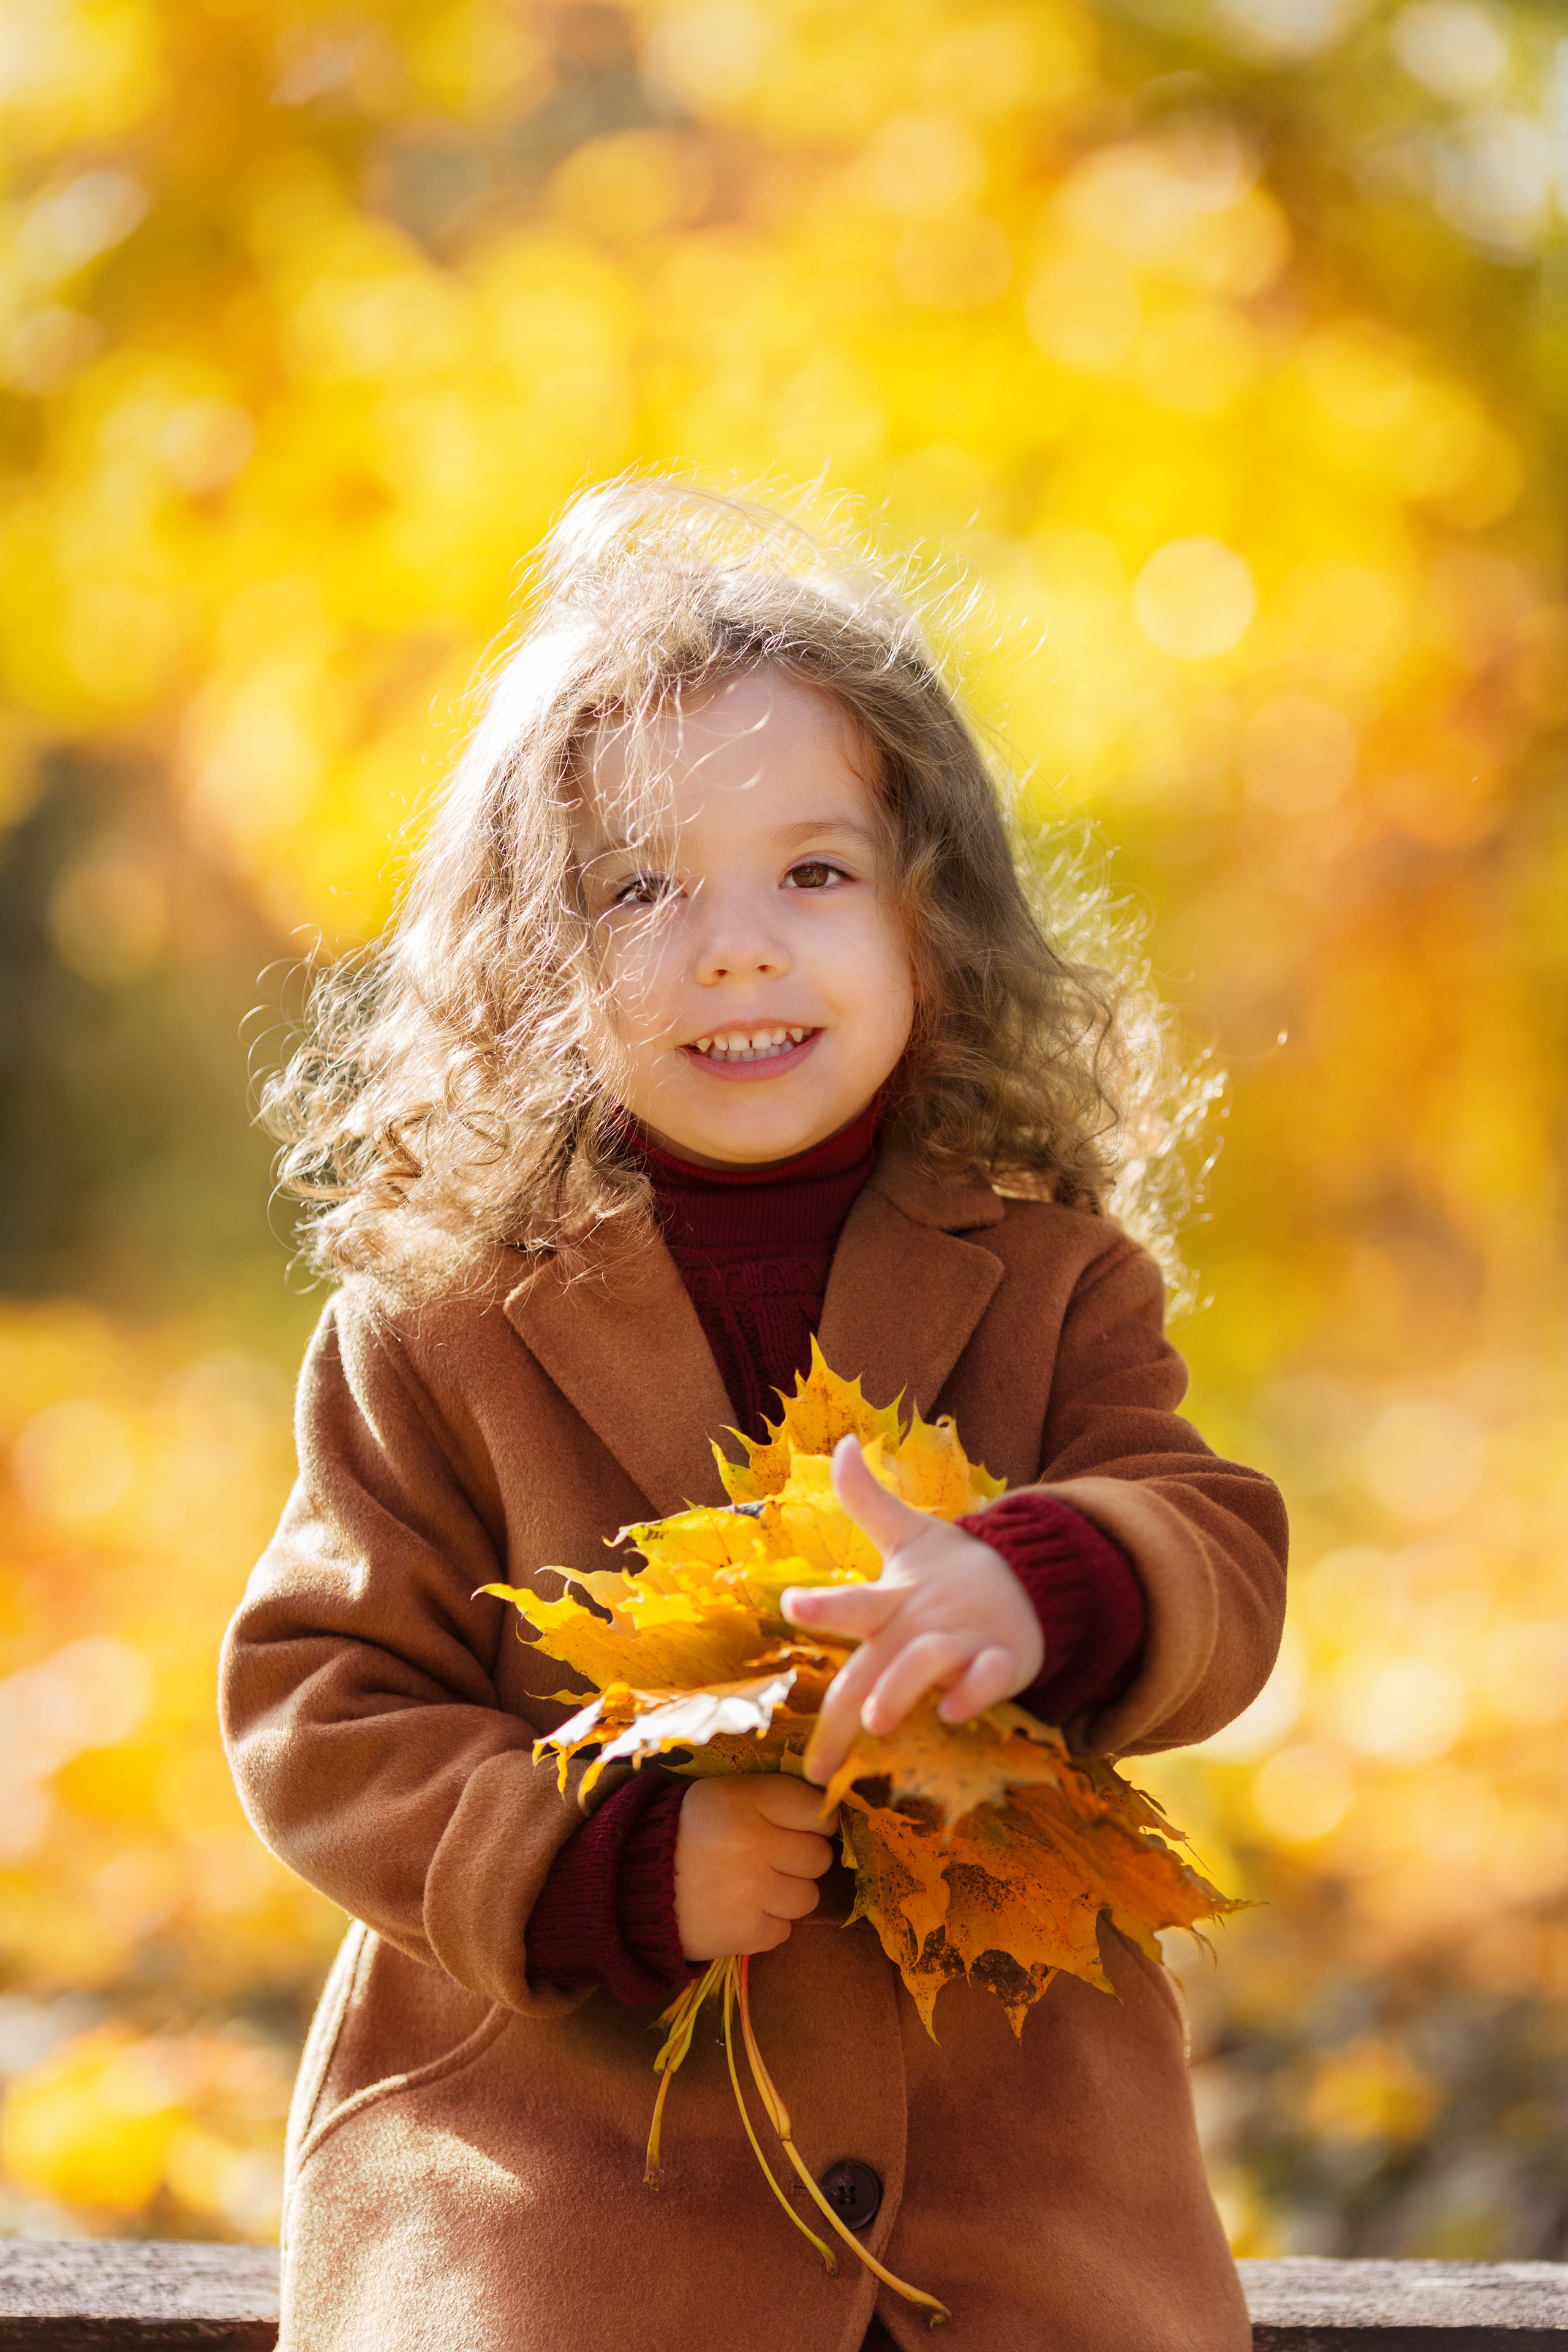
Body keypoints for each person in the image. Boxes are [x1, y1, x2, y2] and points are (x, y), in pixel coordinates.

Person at [221, 479, 1287, 2352]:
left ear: (931, 928)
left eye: (813, 873)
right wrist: (604, 1865)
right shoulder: (435, 1327)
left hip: (1013, 2174)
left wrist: (1042, 1584)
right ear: (535, 965)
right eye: (644, 887)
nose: (734, 946)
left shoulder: (1050, 1279)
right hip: (569, 2158)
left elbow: (1208, 1535)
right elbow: (323, 1707)